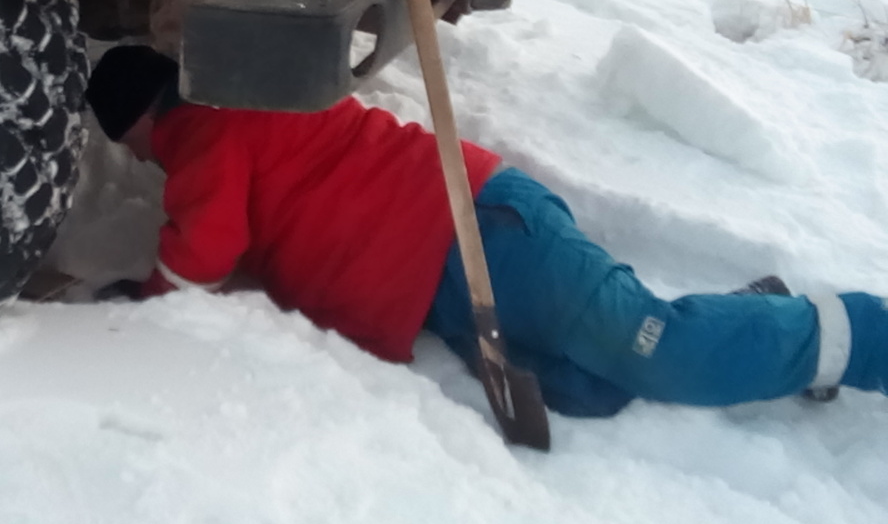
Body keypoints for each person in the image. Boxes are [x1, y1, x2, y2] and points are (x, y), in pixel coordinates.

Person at [84, 44, 888, 416]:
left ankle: (863, 336)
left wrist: (144, 297)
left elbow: (204, 249)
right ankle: (766, 315)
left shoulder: (207, 134)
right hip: (442, 279)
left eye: (136, 151)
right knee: (582, 391)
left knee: (659, 355)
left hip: (482, 231)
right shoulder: (246, 104)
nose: (150, 165)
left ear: (139, 125)